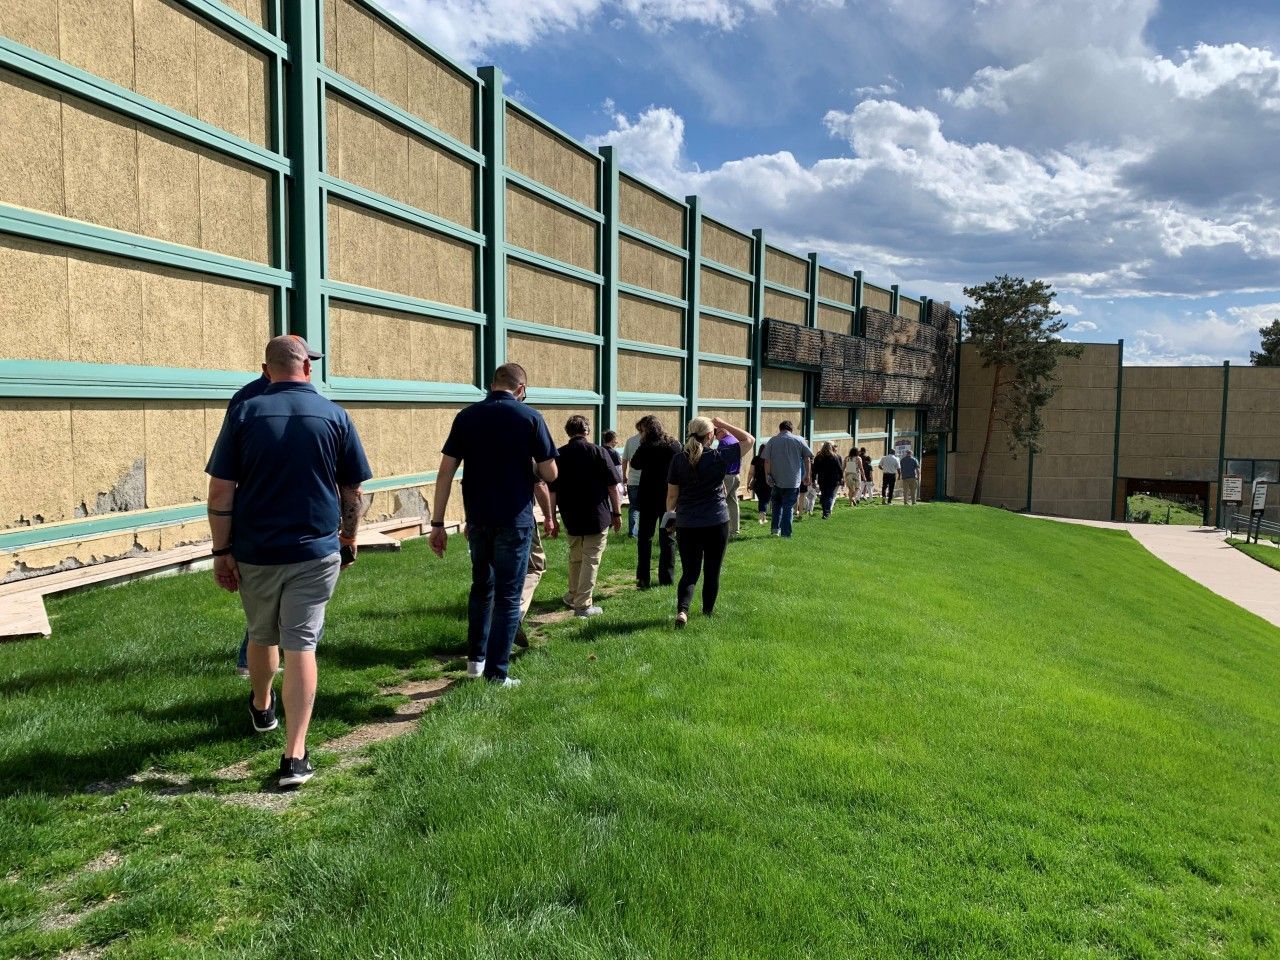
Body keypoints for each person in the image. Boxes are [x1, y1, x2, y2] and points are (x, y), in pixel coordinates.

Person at [206, 335, 371, 788]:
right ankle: (295, 756)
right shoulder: (335, 416)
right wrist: (350, 537)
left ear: (267, 369)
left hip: (256, 551)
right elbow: (352, 491)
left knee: (262, 634)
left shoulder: (244, 413)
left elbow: (221, 492)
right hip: (316, 549)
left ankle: (262, 705)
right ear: (306, 369)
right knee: (302, 643)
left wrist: (221, 551)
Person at [430, 364, 558, 687]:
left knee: (481, 588)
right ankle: (497, 674)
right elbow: (551, 472)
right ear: (522, 389)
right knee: (508, 595)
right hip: (514, 519)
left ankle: (476, 662)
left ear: (492, 384)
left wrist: (437, 522)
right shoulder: (531, 418)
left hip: (478, 518)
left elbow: (445, 472)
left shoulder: (467, 417)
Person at [229, 336, 323, 677]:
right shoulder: (253, 400)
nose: (308, 366)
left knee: (270, 604)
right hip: (274, 513)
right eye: (307, 359)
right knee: (270, 608)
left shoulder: (251, 398)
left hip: (274, 514)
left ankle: (277, 662)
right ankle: (257, 663)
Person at [666, 417, 755, 628]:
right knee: (712, 570)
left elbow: (672, 496)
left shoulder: (678, 459)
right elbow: (749, 440)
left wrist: (670, 515)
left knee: (690, 571)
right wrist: (723, 424)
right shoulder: (718, 456)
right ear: (710, 436)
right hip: (716, 520)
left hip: (687, 522)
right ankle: (707, 612)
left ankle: (682, 611)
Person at [548, 415, 623, 617]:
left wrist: (551, 517)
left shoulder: (558, 455)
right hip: (596, 514)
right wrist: (617, 512)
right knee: (591, 558)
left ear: (568, 432)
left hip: (570, 513)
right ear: (587, 431)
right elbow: (612, 487)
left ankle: (573, 595)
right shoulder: (598, 452)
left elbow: (552, 490)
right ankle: (583, 605)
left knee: (576, 556)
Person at [628, 415, 680, 588]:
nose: (640, 434)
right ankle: (667, 577)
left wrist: (642, 444)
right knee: (668, 537)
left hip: (649, 496)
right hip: (669, 496)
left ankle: (643, 577)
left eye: (641, 431)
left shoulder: (646, 447)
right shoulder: (673, 444)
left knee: (645, 538)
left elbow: (635, 464)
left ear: (647, 430)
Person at [514, 479, 558, 649]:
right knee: (534, 567)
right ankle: (513, 616)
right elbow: (540, 483)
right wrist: (549, 516)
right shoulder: (523, 452)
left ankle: (482, 645)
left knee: (494, 574)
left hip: (483, 520)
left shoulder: (475, 452)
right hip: (518, 516)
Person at [763, 421, 813, 539]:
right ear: (791, 429)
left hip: (776, 479)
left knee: (776, 506)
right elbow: (807, 458)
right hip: (792, 480)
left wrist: (767, 475)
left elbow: (766, 461)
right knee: (788, 507)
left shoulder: (772, 440)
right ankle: (786, 534)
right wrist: (807, 475)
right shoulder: (799, 440)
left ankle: (775, 529)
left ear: (780, 429)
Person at [715, 425, 743, 537]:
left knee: (718, 503)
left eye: (716, 434)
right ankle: (735, 530)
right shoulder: (735, 440)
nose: (716, 438)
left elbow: (720, 462)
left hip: (726, 476)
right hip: (736, 475)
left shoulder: (723, 442)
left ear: (722, 431)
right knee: (733, 503)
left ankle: (719, 531)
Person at [621, 421, 644, 538]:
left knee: (634, 507)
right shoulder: (651, 442)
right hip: (647, 481)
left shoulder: (630, 441)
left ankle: (632, 532)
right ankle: (644, 532)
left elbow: (624, 460)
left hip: (633, 480)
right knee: (646, 508)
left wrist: (624, 475)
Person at [812, 442, 844, 519]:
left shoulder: (818, 457)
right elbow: (840, 469)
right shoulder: (835, 457)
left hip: (822, 479)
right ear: (831, 448)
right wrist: (841, 478)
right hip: (833, 479)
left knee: (824, 495)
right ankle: (827, 512)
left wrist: (813, 479)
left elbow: (814, 470)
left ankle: (825, 511)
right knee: (829, 495)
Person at [747, 445, 771, 524]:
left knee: (762, 500)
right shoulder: (769, 459)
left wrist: (748, 483)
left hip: (757, 483)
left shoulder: (755, 459)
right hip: (768, 483)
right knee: (765, 500)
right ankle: (762, 518)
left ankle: (762, 518)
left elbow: (751, 472)